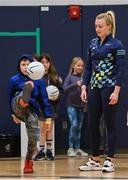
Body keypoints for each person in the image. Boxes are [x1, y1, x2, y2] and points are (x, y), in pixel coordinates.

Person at [79, 11, 125, 172]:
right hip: (94, 88)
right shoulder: (92, 43)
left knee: (109, 124)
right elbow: (88, 67)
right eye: (95, 26)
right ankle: (95, 159)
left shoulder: (116, 45)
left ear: (109, 27)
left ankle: (110, 159)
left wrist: (116, 92)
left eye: (100, 26)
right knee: (92, 123)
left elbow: (121, 70)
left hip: (109, 87)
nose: (97, 29)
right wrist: (84, 86)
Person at [8, 54, 52, 173]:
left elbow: (44, 100)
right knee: (20, 96)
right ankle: (24, 96)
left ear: (32, 65)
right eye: (23, 64)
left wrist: (48, 118)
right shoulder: (14, 80)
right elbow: (10, 97)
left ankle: (28, 161)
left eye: (28, 64)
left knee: (34, 136)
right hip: (17, 105)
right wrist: (13, 114)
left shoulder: (39, 81)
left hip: (31, 110)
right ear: (19, 66)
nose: (25, 67)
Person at [33, 53, 63, 161]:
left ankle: (49, 151)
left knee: (49, 129)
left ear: (50, 63)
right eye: (43, 62)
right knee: (42, 129)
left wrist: (56, 97)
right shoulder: (37, 78)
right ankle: (41, 151)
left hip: (51, 108)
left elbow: (60, 91)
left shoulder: (55, 77)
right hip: (41, 108)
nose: (45, 64)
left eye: (47, 62)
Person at [63, 57, 88, 157]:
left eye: (82, 66)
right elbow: (64, 88)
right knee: (74, 125)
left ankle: (77, 148)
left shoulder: (84, 78)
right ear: (73, 66)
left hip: (81, 106)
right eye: (78, 65)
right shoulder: (70, 77)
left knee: (79, 127)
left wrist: (85, 104)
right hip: (71, 105)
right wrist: (75, 84)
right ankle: (70, 148)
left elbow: (86, 92)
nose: (80, 67)